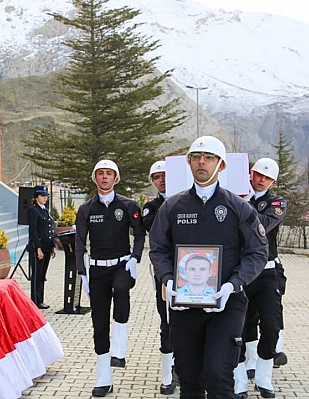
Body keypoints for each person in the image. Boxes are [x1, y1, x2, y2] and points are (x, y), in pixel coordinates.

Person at [150, 136, 268, 399]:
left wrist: (233, 284)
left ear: (221, 166)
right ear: (188, 163)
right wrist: (169, 281)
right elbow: (158, 248)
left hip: (226, 305)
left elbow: (258, 251)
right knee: (189, 379)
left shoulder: (239, 208)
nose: (201, 162)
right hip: (183, 306)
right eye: (196, 157)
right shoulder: (172, 206)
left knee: (217, 376)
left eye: (209, 158)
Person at [75, 159, 146, 397]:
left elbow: (139, 234)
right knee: (99, 323)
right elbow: (79, 243)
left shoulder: (128, 205)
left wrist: (135, 258)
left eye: (109, 174)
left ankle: (120, 350)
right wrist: (82, 272)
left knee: (122, 290)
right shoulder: (86, 209)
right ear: (94, 178)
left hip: (122, 265)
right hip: (97, 270)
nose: (104, 177)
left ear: (116, 179)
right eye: (100, 173)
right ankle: (104, 377)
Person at [234, 158, 285, 399]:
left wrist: (242, 205)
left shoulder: (275, 203)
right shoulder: (235, 196)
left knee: (271, 323)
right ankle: (239, 376)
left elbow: (263, 224)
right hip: (241, 270)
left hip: (266, 272)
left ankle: (264, 376)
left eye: (266, 177)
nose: (261, 179)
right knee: (238, 326)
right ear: (250, 174)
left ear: (272, 181)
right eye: (257, 174)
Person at [141, 160, 176, 395]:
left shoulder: (186, 201)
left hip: (192, 269)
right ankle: (167, 374)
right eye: (157, 177)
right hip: (164, 271)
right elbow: (154, 229)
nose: (161, 180)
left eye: (165, 175)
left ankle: (186, 367)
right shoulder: (151, 207)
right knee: (166, 320)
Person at [27, 185, 56, 309]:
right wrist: (38, 247)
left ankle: (41, 299)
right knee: (37, 274)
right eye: (42, 196)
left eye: (46, 196)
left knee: (42, 274)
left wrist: (52, 246)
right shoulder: (33, 211)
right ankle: (35, 300)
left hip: (47, 246)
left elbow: (49, 230)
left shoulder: (45, 210)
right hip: (38, 247)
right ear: (36, 197)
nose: (45, 198)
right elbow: (33, 231)